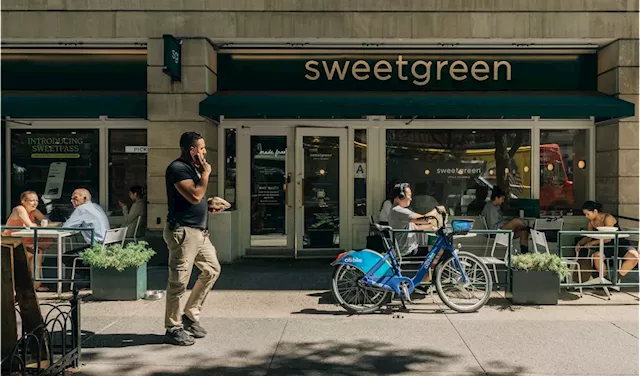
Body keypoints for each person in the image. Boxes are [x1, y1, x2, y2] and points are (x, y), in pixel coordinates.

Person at [164, 131, 229, 346]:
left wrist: (209, 205)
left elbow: (197, 199)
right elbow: (194, 195)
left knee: (212, 270)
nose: (204, 152)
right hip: (183, 232)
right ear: (191, 150)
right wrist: (206, 173)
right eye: (201, 148)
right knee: (178, 282)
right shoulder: (177, 169)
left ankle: (190, 316)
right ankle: (173, 327)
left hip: (199, 232)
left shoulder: (192, 169)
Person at [388, 183, 447, 288]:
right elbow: (423, 219)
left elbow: (416, 226)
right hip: (407, 251)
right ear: (401, 196)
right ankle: (421, 284)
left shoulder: (401, 211)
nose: (411, 198)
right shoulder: (398, 210)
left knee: (435, 252)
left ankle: (422, 283)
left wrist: (432, 226)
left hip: (411, 248)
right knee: (437, 254)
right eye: (409, 195)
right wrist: (436, 210)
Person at [575, 201, 639, 279]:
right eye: (585, 214)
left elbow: (608, 238)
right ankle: (604, 280)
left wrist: (591, 243)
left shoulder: (608, 218)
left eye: (588, 214)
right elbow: (588, 236)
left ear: (595, 211)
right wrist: (580, 243)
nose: (586, 216)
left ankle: (616, 278)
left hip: (619, 243)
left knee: (634, 256)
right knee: (597, 256)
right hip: (605, 246)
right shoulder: (591, 222)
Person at [4, 191, 52, 291]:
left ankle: (33, 284)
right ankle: (34, 285)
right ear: (23, 201)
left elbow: (47, 222)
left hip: (27, 244)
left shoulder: (33, 211)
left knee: (43, 245)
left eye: (36, 200)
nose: (35, 203)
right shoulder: (19, 209)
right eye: (31, 200)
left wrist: (45, 223)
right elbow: (30, 225)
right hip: (12, 245)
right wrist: (42, 225)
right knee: (36, 252)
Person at [482, 187, 529, 254]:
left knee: (523, 232)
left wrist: (507, 222)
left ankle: (524, 255)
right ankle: (530, 229)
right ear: (496, 198)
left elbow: (499, 220)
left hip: (499, 229)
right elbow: (493, 226)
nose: (503, 201)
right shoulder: (490, 208)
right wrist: (508, 223)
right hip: (495, 232)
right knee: (516, 221)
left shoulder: (495, 206)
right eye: (502, 199)